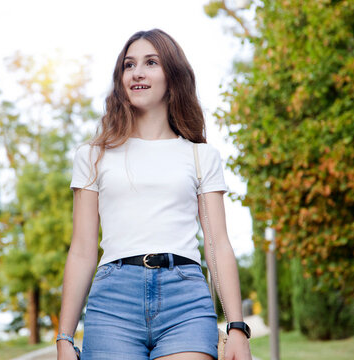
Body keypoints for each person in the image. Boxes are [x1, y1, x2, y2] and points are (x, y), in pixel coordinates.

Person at [57, 29, 252, 360]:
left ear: (172, 77)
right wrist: (64, 337)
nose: (137, 72)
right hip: (112, 304)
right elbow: (82, 249)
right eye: (129, 65)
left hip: (185, 300)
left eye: (151, 62)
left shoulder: (201, 157)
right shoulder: (92, 155)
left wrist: (237, 328)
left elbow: (217, 242)